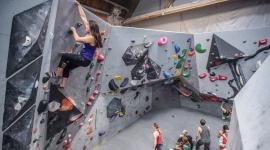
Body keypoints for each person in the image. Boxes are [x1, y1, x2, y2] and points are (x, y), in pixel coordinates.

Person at [42, 1, 103, 88]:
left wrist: (74, 30)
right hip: (85, 61)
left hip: (84, 59)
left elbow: (77, 39)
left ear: (91, 28)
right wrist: (79, 5)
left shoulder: (91, 37)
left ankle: (55, 74)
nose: (86, 27)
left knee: (65, 56)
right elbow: (83, 17)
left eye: (87, 26)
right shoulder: (90, 32)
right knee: (67, 66)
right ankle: (62, 84)